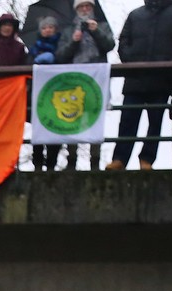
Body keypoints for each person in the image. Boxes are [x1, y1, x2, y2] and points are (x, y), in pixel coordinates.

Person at [110, 0, 172, 169]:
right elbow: (123, 41)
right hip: (135, 78)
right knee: (127, 120)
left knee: (155, 122)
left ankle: (147, 159)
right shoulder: (135, 14)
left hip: (161, 78)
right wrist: (131, 60)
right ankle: (120, 159)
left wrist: (170, 64)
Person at [57, 0, 114, 169]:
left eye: (87, 6)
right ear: (76, 10)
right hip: (74, 80)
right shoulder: (68, 30)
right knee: (72, 117)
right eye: (81, 7)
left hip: (96, 79)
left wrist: (96, 31)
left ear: (92, 8)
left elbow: (110, 45)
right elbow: (60, 55)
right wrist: (74, 41)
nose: (84, 9)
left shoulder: (102, 26)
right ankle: (71, 159)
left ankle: (95, 160)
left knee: (95, 116)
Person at [30, 18, 63, 170]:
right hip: (39, 92)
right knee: (38, 125)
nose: (47, 30)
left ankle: (51, 162)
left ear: (56, 29)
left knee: (56, 126)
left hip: (57, 91)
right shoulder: (34, 48)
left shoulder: (61, 45)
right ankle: (37, 161)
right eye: (44, 28)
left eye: (50, 27)